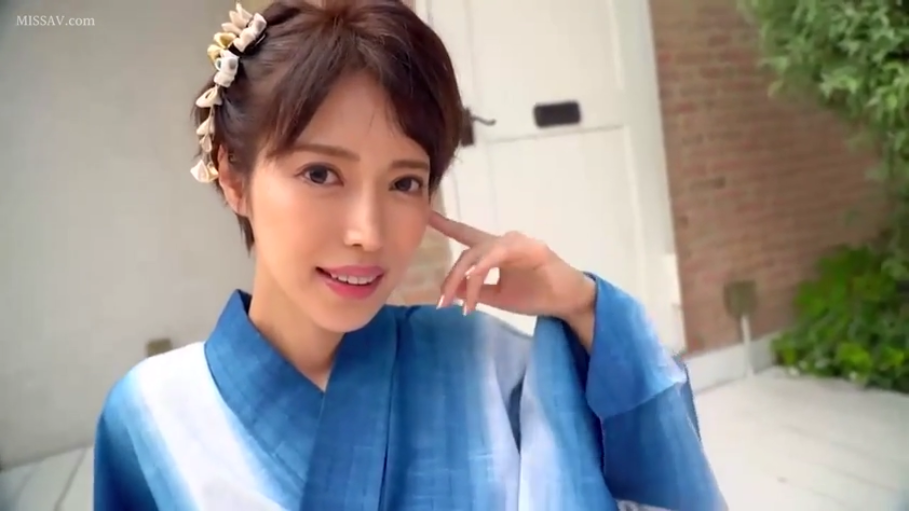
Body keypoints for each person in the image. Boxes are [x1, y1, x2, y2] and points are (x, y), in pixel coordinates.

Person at [92, 1, 724, 510]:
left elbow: (656, 482)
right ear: (233, 175)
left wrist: (581, 305)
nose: (369, 233)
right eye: (320, 174)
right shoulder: (153, 420)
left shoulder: (486, 363)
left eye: (404, 183)